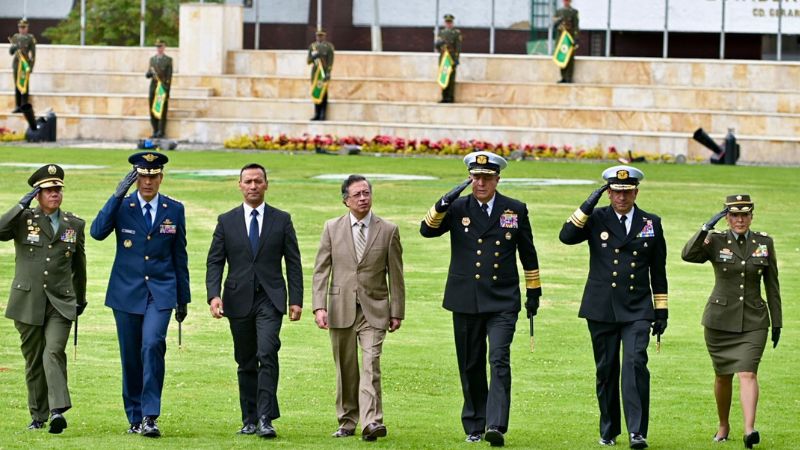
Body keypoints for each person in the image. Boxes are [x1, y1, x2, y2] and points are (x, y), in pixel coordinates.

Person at [419, 151, 542, 447]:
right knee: (470, 363)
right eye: (476, 177)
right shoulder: (457, 207)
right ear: (469, 179)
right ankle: (475, 423)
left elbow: (528, 253)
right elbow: (426, 231)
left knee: (499, 358)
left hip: (502, 299)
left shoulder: (514, 209)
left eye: (487, 178)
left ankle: (495, 424)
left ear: (497, 179)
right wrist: (442, 202)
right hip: (465, 298)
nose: (481, 183)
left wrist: (533, 292)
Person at [558, 165, 668, 449]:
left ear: (636, 192)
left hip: (637, 307)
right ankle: (609, 429)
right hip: (601, 307)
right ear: (608, 193)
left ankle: (637, 431)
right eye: (616, 192)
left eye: (627, 192)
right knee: (606, 370)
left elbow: (658, 271)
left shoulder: (651, 222)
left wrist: (661, 310)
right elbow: (566, 236)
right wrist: (588, 204)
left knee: (635, 364)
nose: (621, 197)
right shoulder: (595, 218)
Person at [90, 152, 190, 437]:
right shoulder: (123, 206)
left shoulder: (174, 208)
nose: (148, 182)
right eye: (143, 176)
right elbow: (97, 232)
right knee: (131, 355)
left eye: (153, 176)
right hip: (126, 292)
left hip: (161, 292)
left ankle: (149, 416)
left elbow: (179, 255)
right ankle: (134, 416)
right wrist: (116, 196)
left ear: (161, 177)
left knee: (152, 344)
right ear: (135, 178)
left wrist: (183, 298)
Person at [206, 163, 303, 439]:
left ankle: (265, 418)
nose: (253, 186)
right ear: (239, 185)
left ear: (266, 184)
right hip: (237, 300)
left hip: (270, 299)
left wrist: (296, 299)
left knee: (267, 352)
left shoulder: (282, 220)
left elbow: (293, 262)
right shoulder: (226, 221)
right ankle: (249, 418)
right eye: (247, 181)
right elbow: (215, 261)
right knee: (246, 360)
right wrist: (213, 295)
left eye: (258, 181)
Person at [681, 195, 782, 449]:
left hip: (754, 320)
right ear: (726, 217)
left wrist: (777, 322)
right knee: (722, 376)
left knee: (748, 372)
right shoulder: (715, 240)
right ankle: (723, 425)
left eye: (744, 215)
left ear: (751, 216)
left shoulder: (764, 242)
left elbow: (772, 285)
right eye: (734, 215)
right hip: (719, 321)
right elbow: (688, 255)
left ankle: (749, 430)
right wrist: (706, 227)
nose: (740, 220)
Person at [312, 175, 405, 442]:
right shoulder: (331, 228)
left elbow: (396, 275)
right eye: (357, 195)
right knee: (346, 367)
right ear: (346, 201)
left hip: (375, 309)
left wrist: (397, 310)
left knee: (370, 363)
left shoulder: (388, 230)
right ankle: (347, 421)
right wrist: (319, 307)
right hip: (340, 307)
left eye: (367, 193)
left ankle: (372, 421)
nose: (363, 198)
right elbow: (321, 270)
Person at [1, 164, 86, 434]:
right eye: (48, 190)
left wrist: (80, 299)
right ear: (37, 194)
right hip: (27, 301)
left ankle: (57, 410)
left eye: (58, 189)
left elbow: (79, 266)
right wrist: (20, 205)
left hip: (61, 302)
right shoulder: (23, 219)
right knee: (34, 359)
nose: (55, 194)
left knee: (53, 351)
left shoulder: (74, 224)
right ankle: (38, 416)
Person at [146, 39, 173, 138]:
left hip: (162, 87)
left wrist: (167, 90)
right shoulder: (152, 59)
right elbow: (148, 73)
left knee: (162, 110)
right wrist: (148, 74)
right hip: (153, 87)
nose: (159, 49)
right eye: (157, 47)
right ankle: (155, 130)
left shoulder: (168, 60)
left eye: (160, 46)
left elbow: (169, 76)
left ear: (164, 47)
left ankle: (161, 131)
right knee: (153, 109)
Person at [9, 18, 36, 113]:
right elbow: (11, 52)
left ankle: (24, 106)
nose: (22, 29)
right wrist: (13, 48)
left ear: (27, 28)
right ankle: (17, 106)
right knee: (17, 85)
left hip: (25, 64)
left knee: (24, 85)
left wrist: (31, 67)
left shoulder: (30, 38)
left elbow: (33, 55)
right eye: (20, 27)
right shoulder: (15, 37)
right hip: (17, 64)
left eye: (24, 27)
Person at [307, 29, 334, 121]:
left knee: (324, 94)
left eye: (321, 36)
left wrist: (328, 72)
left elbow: (330, 61)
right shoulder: (312, 47)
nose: (319, 37)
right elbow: (308, 61)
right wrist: (314, 57)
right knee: (316, 93)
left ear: (324, 36)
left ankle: (323, 114)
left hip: (323, 73)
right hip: (315, 74)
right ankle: (316, 114)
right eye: (318, 36)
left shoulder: (328, 47)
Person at [435, 14, 462, 103]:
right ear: (444, 23)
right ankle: (444, 97)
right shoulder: (441, 32)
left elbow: (458, 47)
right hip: (444, 59)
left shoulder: (456, 33)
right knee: (443, 77)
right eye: (447, 22)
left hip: (451, 58)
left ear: (452, 23)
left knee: (451, 78)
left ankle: (450, 97)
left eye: (450, 22)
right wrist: (438, 45)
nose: (448, 24)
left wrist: (456, 58)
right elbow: (437, 48)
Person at [553, 0, 579, 83]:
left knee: (570, 58)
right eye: (564, 1)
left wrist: (576, 38)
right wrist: (558, 21)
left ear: (570, 1)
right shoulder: (558, 12)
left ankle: (569, 77)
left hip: (569, 38)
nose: (566, 2)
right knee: (562, 57)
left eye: (567, 1)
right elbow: (554, 25)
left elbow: (576, 26)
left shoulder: (574, 12)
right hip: (561, 39)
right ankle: (563, 77)